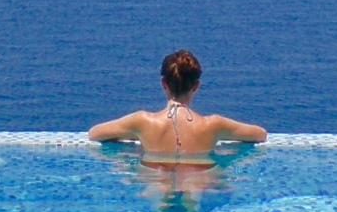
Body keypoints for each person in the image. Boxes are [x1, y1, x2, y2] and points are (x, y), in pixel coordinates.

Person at [88, 50, 266, 161]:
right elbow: (260, 134)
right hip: (201, 186)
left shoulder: (141, 122)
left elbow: (94, 133)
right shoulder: (214, 125)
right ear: (195, 86)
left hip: (155, 187)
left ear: (163, 83)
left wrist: (138, 135)